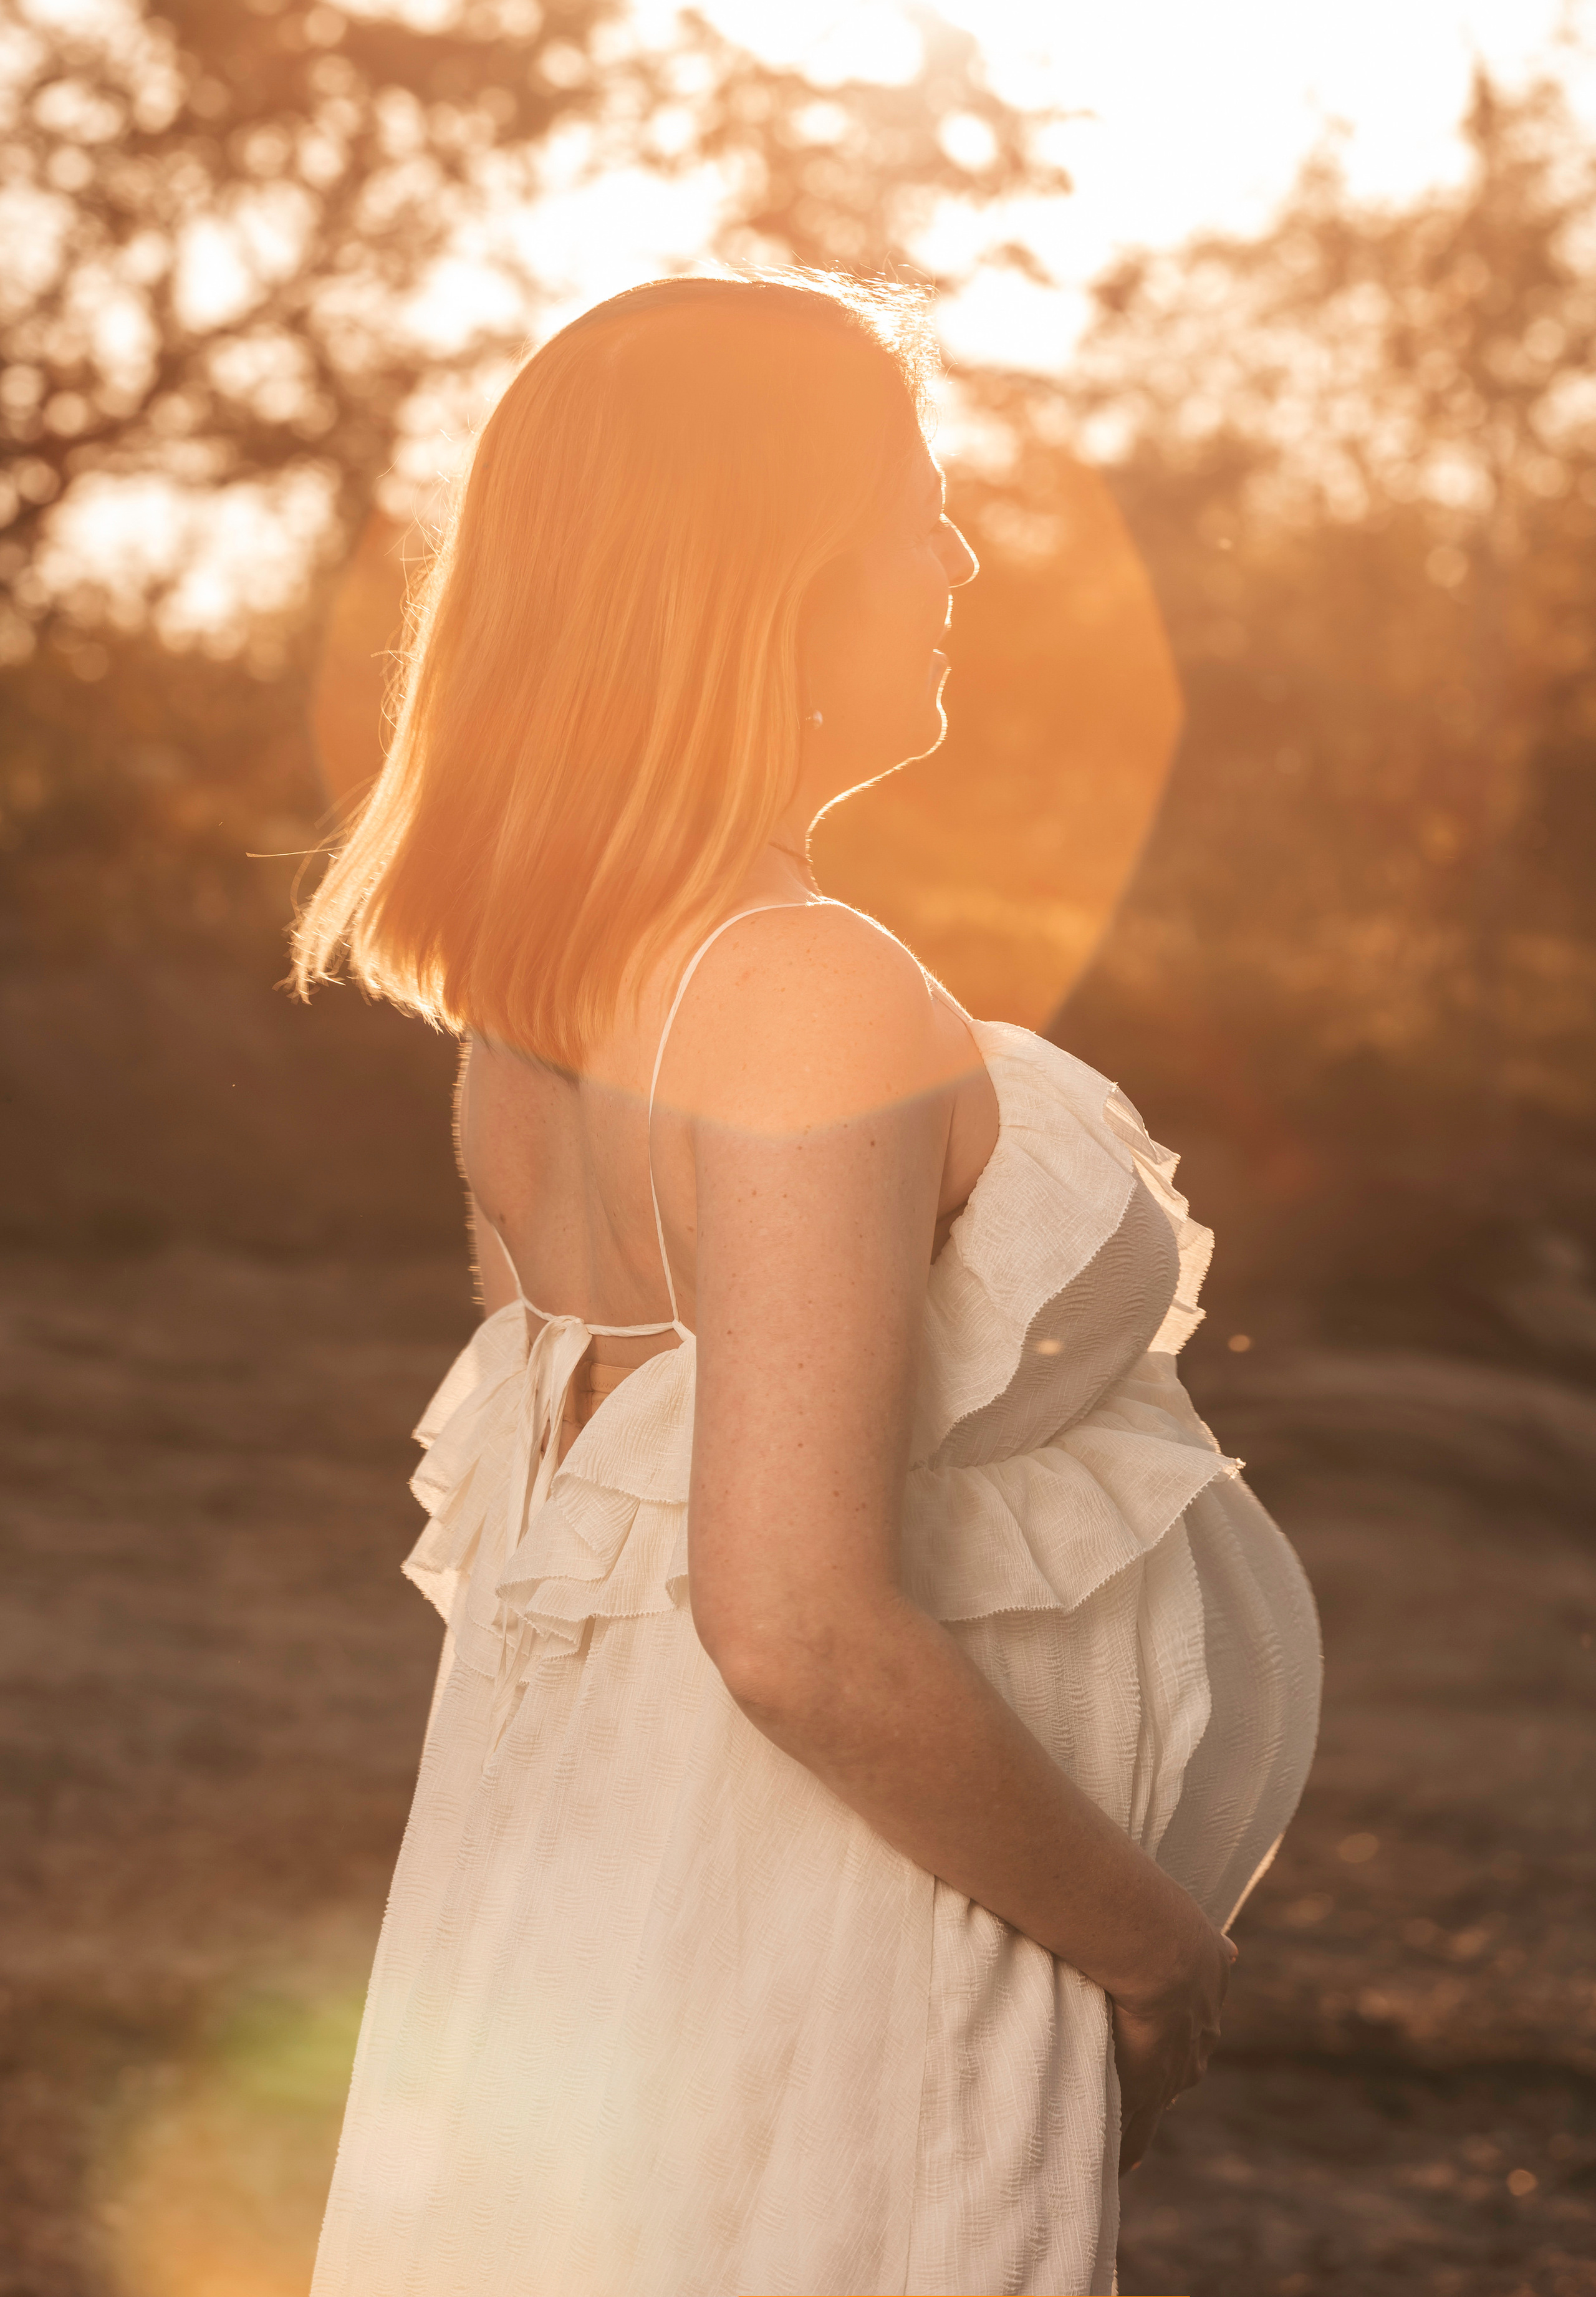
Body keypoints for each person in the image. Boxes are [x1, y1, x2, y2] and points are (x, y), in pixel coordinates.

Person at [294, 268, 1322, 2297]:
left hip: (647, 1900)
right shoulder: (789, 991)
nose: (955, 566)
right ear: (761, 578)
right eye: (914, 512)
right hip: (837, 1926)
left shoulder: (550, 1014)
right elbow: (793, 1627)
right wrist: (1149, 1946)